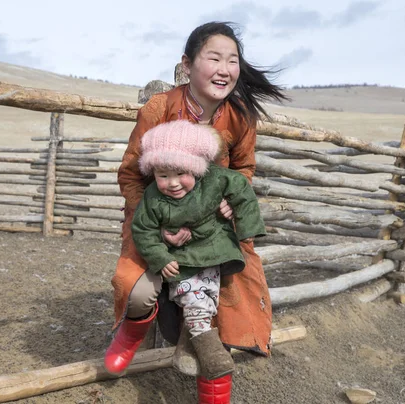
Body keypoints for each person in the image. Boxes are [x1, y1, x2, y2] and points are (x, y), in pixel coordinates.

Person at [104, 21, 289, 403]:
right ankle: (131, 332)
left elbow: (244, 169)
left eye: (233, 60)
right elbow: (130, 173)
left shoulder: (239, 116)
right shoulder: (160, 108)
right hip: (154, 220)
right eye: (214, 58)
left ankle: (211, 384)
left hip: (213, 226)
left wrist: (230, 203)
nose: (225, 68)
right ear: (187, 65)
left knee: (234, 294)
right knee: (135, 287)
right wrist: (157, 226)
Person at [130, 120, 266, 380]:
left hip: (213, 247)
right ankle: (204, 346)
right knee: (195, 294)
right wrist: (159, 256)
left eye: (181, 173)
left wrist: (247, 227)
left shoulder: (215, 180)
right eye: (163, 175)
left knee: (202, 295)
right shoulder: (152, 197)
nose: (172, 183)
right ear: (153, 173)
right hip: (180, 256)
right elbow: (143, 229)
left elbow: (241, 190)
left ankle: (202, 343)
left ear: (197, 168)